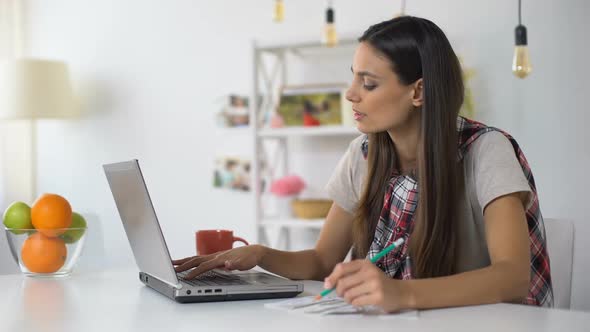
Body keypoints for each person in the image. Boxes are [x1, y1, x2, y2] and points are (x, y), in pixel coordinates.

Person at [173, 16, 553, 311]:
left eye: (369, 84)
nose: (351, 94)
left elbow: (512, 277)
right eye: (353, 78)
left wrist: (400, 293)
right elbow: (322, 260)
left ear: (418, 91)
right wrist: (260, 254)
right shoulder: (363, 155)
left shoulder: (487, 150)